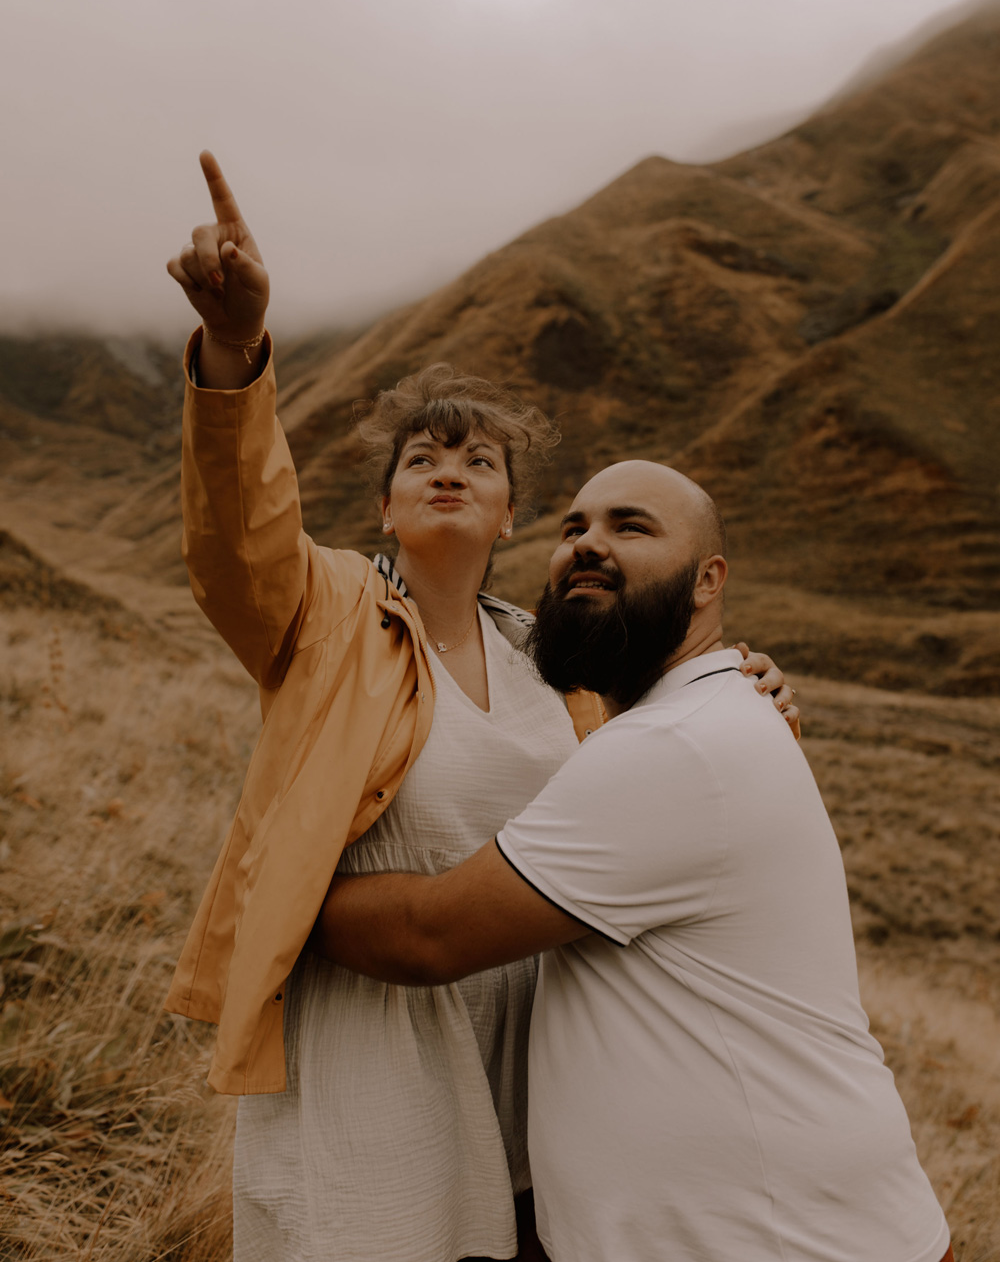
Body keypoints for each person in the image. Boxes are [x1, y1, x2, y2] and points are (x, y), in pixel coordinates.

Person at [163, 153, 801, 1262]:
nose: (448, 470)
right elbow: (237, 535)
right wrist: (233, 353)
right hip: (375, 1047)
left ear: (512, 515)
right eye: (422, 457)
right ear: (387, 503)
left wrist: (753, 689)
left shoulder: (557, 668)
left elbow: (672, 743)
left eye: (479, 460)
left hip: (538, 1057)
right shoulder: (325, 614)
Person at [314, 460, 953, 1262]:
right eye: (572, 527)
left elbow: (428, 937)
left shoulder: (676, 745)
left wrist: (278, 897)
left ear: (707, 579)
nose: (587, 544)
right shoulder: (695, 719)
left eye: (630, 526)